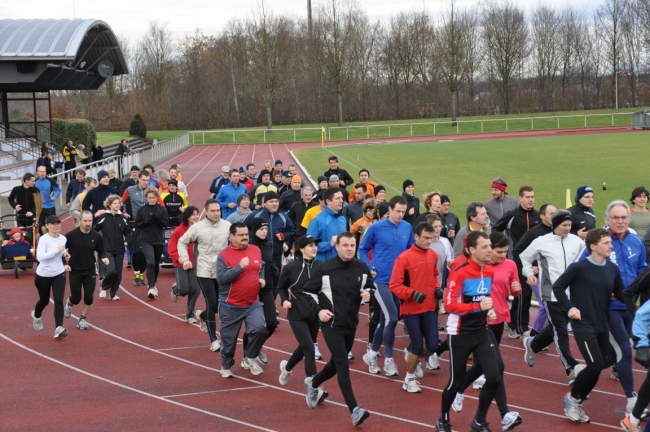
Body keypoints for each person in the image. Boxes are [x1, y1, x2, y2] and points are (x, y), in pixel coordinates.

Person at [449, 232, 523, 431]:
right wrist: (478, 309)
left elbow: (514, 289)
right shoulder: (480, 268)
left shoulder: (510, 265)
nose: (501, 255)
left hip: (499, 319)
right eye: (498, 251)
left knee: (486, 366)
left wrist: (516, 289)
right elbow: (458, 297)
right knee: (496, 368)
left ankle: (459, 389)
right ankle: (503, 414)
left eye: (504, 252)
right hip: (481, 323)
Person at [580, 200, 647, 415]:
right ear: (607, 219)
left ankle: (581, 375)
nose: (620, 221)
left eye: (624, 217)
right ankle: (632, 401)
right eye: (615, 218)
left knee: (609, 357)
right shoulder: (598, 241)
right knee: (625, 351)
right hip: (607, 309)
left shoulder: (636, 241)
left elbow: (643, 270)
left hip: (629, 307)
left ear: (629, 218)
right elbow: (581, 270)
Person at [553, 228, 625, 423]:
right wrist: (569, 308)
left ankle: (577, 397)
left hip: (602, 324)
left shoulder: (612, 269)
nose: (611, 246)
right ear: (593, 246)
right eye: (607, 243)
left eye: (611, 242)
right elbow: (558, 287)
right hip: (583, 324)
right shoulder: (579, 268)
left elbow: (621, 293)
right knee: (594, 365)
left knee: (597, 366)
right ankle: (573, 399)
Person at [303, 232, 373, 427]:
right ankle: (354, 410)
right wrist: (319, 311)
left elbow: (371, 287)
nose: (349, 248)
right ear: (337, 247)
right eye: (345, 245)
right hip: (331, 325)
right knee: (342, 364)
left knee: (335, 363)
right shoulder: (325, 268)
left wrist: (367, 294)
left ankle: (314, 383)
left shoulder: (360, 266)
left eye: (352, 245)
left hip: (351, 323)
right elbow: (306, 292)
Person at [437, 231, 502, 432]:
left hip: (481, 330)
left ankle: (479, 420)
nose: (490, 250)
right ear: (472, 250)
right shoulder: (461, 272)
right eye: (485, 247)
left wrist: (489, 311)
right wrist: (478, 308)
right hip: (460, 333)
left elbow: (483, 299)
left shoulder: (489, 271)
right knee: (456, 382)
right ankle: (443, 419)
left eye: (490, 245)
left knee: (494, 375)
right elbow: (449, 305)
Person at [521, 210, 585, 384]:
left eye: (569, 225)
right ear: (555, 225)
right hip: (550, 295)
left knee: (557, 329)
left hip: (572, 296)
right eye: (564, 225)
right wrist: (529, 273)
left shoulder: (577, 241)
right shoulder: (542, 242)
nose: (567, 228)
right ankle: (571, 368)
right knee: (561, 332)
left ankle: (532, 345)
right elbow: (524, 257)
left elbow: (585, 261)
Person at [360, 196, 414, 376]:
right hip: (380, 281)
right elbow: (362, 248)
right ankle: (389, 359)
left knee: (385, 320)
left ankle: (372, 353)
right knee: (392, 318)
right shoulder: (375, 228)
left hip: (398, 281)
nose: (400, 215)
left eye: (403, 212)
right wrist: (369, 268)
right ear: (389, 209)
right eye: (397, 211)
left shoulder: (407, 227)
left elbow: (410, 251)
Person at [389, 222, 440, 394]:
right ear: (416, 236)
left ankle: (413, 357)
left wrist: (438, 288)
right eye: (425, 238)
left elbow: (433, 277)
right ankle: (408, 379)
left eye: (431, 238)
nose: (428, 241)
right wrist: (411, 294)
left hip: (429, 307)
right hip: (411, 309)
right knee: (417, 345)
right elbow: (394, 285)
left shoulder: (433, 255)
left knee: (433, 345)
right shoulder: (403, 258)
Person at [178, 199, 231, 352]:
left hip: (222, 272)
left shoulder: (227, 226)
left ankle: (202, 316)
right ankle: (214, 339)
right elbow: (182, 242)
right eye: (213, 211)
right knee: (212, 303)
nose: (216, 213)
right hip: (204, 271)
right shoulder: (198, 228)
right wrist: (185, 259)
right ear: (206, 212)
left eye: (218, 210)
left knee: (220, 306)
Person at [216, 222, 268, 377]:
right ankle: (226, 365)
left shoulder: (255, 249)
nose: (245, 237)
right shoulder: (224, 255)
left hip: (253, 302)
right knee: (229, 341)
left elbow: (261, 266)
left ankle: (250, 357)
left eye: (247, 234)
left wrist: (261, 278)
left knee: (260, 328)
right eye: (241, 235)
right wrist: (239, 267)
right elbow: (221, 279)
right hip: (230, 305)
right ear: (232, 236)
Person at [277, 235, 324, 388]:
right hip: (297, 313)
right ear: (302, 249)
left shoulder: (321, 266)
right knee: (310, 349)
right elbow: (281, 286)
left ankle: (287, 368)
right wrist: (284, 300)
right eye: (310, 245)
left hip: (315, 314)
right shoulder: (291, 267)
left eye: (315, 245)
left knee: (304, 347)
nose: (314, 248)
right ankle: (313, 386)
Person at [510, 204, 556, 337]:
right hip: (536, 276)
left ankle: (543, 331)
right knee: (543, 305)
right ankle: (534, 334)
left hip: (553, 275)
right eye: (551, 214)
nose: (554, 216)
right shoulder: (533, 233)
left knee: (553, 304)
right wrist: (529, 267)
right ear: (542, 216)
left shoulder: (557, 232)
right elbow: (517, 251)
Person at [63, 210, 108, 329]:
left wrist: (104, 258)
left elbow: (101, 250)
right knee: (76, 298)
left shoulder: (96, 236)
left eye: (90, 221)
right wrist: (64, 263)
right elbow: (62, 251)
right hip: (75, 271)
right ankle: (70, 302)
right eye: (85, 221)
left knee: (89, 297)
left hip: (90, 270)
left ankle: (82, 319)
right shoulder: (71, 236)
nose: (88, 223)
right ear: (79, 221)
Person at [245, 191, 295, 287]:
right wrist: (252, 241)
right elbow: (244, 230)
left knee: (275, 284)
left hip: (276, 257)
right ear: (264, 204)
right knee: (258, 284)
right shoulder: (255, 216)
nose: (275, 204)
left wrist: (284, 236)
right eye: (271, 201)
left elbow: (292, 231)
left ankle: (271, 302)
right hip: (258, 257)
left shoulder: (283, 216)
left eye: (276, 201)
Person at [246, 218, 278, 365]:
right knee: (252, 326)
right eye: (261, 229)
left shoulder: (269, 244)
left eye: (266, 229)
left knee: (271, 322)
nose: (264, 232)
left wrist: (275, 271)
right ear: (254, 230)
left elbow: (270, 263)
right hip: (251, 288)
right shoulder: (249, 246)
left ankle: (257, 347)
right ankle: (248, 354)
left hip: (267, 288)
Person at [32, 215, 69, 339]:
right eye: (53, 223)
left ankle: (58, 327)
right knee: (45, 300)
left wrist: (66, 254)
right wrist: (56, 250)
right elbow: (40, 257)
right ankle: (36, 315)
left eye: (58, 223)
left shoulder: (63, 239)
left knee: (58, 300)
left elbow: (63, 251)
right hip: (43, 275)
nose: (56, 225)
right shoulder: (44, 239)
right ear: (47, 226)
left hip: (58, 273)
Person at [167, 206, 201, 324]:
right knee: (184, 289)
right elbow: (171, 248)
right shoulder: (179, 230)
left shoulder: (200, 229)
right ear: (187, 216)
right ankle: (176, 290)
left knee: (195, 291)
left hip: (196, 265)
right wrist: (180, 259)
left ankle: (189, 315)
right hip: (181, 265)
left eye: (197, 214)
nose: (196, 217)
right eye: (193, 214)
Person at [94, 195, 131, 301]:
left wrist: (126, 241)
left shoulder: (122, 218)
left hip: (119, 250)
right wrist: (95, 242)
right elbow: (95, 229)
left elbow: (128, 232)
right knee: (111, 271)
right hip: (107, 249)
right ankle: (104, 288)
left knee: (118, 275)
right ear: (109, 205)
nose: (117, 205)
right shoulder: (104, 217)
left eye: (118, 203)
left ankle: (113, 294)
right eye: (115, 203)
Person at [135, 187, 169, 299]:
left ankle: (153, 284)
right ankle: (151, 287)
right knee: (150, 263)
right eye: (149, 198)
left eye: (154, 197)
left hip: (158, 240)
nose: (152, 200)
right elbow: (137, 224)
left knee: (155, 264)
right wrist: (145, 222)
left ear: (157, 197)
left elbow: (165, 224)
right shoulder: (142, 209)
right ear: (146, 198)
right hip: (146, 240)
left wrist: (157, 219)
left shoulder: (161, 209)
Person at [122, 171, 153, 285]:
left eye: (147, 180)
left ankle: (141, 271)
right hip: (134, 223)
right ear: (138, 179)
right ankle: (137, 273)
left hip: (147, 225)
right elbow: (119, 203)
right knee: (137, 250)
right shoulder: (130, 190)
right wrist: (122, 213)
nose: (145, 182)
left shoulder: (150, 191)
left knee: (146, 250)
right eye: (143, 180)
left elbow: (160, 204)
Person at [306, 188, 347, 261]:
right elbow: (308, 245)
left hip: (342, 264)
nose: (341, 201)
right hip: (324, 265)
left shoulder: (343, 219)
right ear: (328, 201)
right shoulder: (318, 220)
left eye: (342, 198)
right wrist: (329, 244)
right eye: (337, 198)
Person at [34, 166, 61, 230]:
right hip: (39, 207)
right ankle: (42, 238)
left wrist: (55, 196)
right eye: (41, 172)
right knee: (41, 226)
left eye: (44, 171)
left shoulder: (50, 180)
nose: (43, 173)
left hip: (50, 206)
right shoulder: (35, 182)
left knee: (52, 224)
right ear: (37, 172)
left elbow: (58, 190)